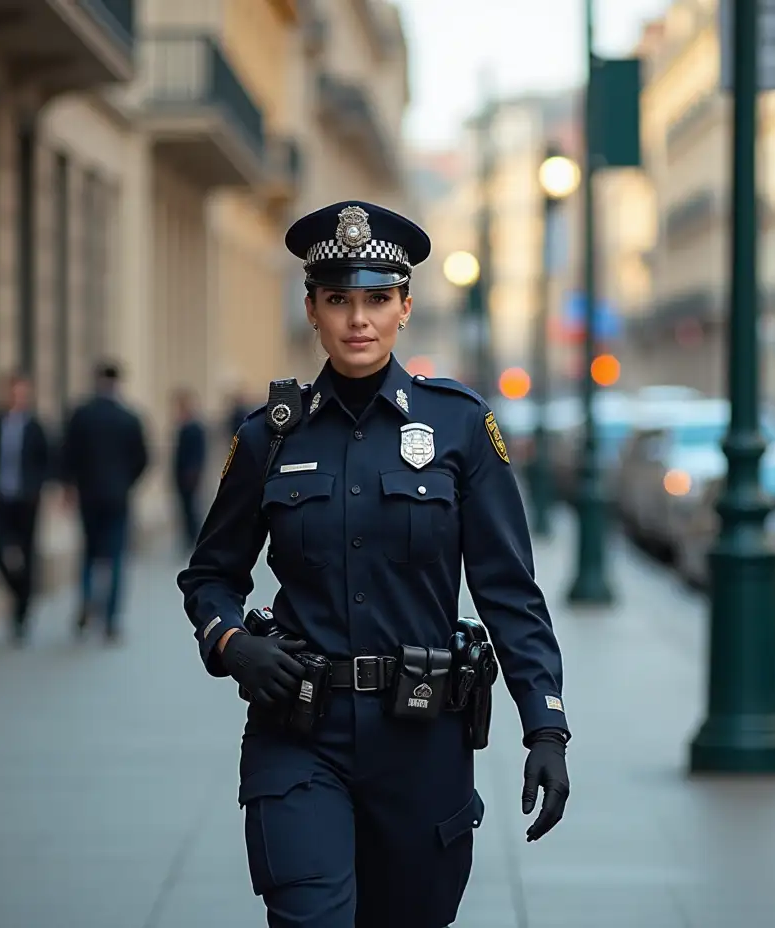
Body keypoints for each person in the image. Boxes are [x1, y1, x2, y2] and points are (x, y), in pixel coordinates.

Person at [177, 201, 571, 928]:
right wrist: (235, 646)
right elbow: (209, 577)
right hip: (297, 733)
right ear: (313, 311)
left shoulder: (460, 427)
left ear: (405, 308)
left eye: (377, 299)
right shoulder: (268, 438)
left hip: (420, 742)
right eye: (338, 300)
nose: (358, 319)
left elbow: (509, 592)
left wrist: (545, 726)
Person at [61, 361, 150, 642]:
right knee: (116, 558)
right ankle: (110, 620)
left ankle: (87, 599)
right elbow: (143, 459)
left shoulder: (81, 415)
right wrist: (126, 483)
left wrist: (71, 485)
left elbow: (67, 454)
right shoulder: (129, 417)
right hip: (117, 496)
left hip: (88, 494)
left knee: (89, 553)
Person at [0, 372, 50, 644]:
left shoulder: (35, 426)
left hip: (27, 501)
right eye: (14, 392)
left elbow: (46, 461)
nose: (18, 397)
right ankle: (19, 592)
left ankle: (22, 611)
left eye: (22, 392)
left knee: (27, 553)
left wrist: (38, 488)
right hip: (0, 497)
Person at [171, 388, 208, 553]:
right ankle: (190, 539)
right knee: (186, 509)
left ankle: (195, 539)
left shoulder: (194, 427)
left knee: (192, 509)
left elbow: (198, 453)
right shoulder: (183, 426)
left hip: (189, 476)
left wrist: (194, 472)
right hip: (181, 475)